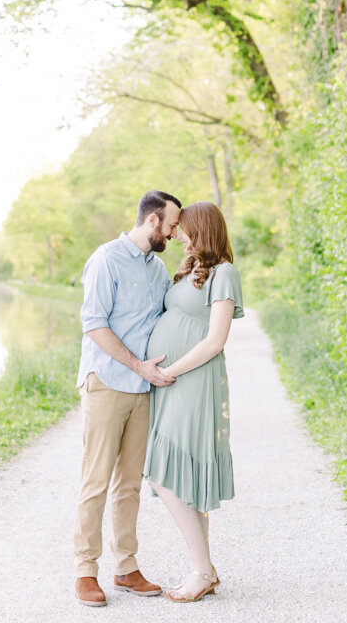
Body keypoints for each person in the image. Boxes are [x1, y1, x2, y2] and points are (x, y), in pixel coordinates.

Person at [74, 190, 182, 608]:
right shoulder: (106, 259)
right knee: (95, 481)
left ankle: (126, 567)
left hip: (144, 390)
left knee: (130, 485)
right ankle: (86, 571)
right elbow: (94, 325)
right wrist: (139, 366)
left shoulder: (158, 269)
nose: (174, 233)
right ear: (153, 221)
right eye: (171, 225)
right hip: (107, 382)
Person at [143, 200, 244, 603]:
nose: (177, 234)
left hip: (194, 381)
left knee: (163, 475)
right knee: (178, 475)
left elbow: (216, 340)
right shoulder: (188, 271)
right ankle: (206, 569)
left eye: (184, 228)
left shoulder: (225, 274)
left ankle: (201, 570)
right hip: (172, 383)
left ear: (201, 228)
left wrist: (174, 370)